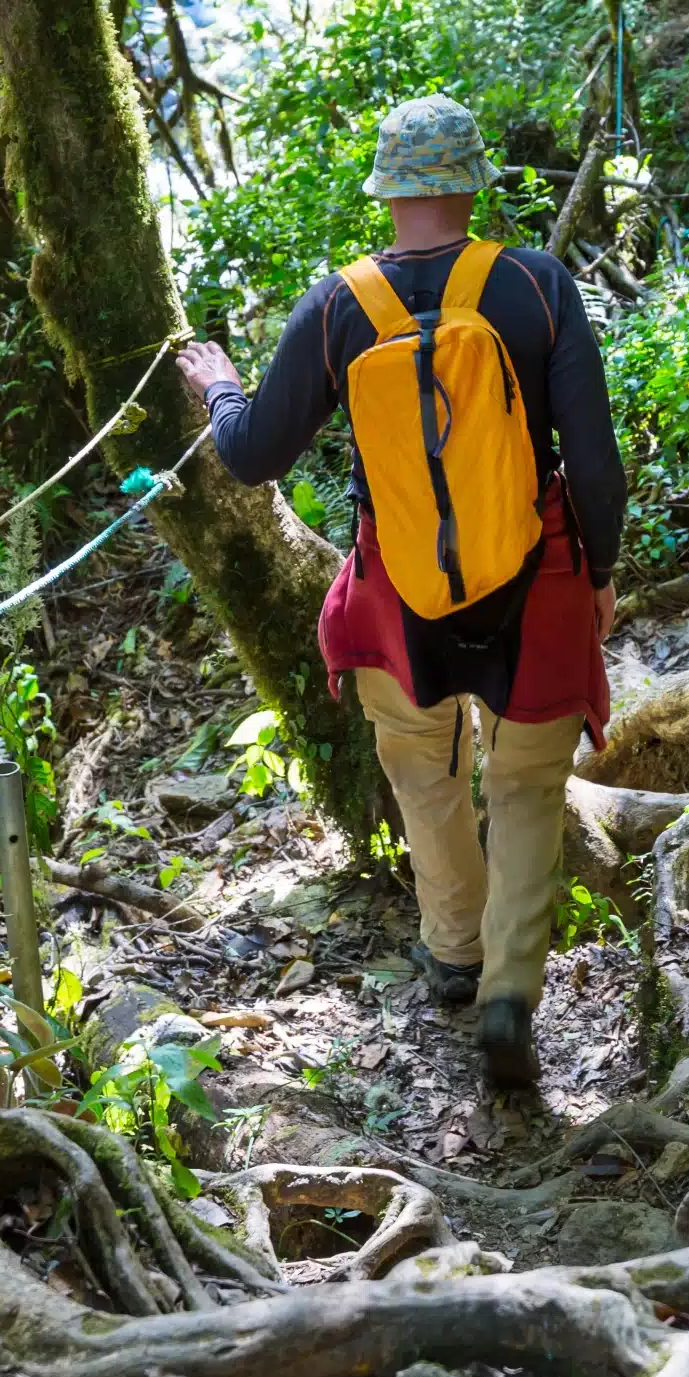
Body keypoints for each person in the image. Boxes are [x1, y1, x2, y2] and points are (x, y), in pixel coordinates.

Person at [179, 93, 624, 1089]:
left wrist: (216, 384)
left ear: (388, 193)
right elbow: (594, 463)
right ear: (470, 182)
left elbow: (252, 455)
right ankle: (510, 994)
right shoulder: (536, 285)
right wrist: (598, 572)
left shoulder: (340, 305)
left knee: (425, 773)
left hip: (398, 591)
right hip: (537, 574)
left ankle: (453, 953)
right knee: (522, 788)